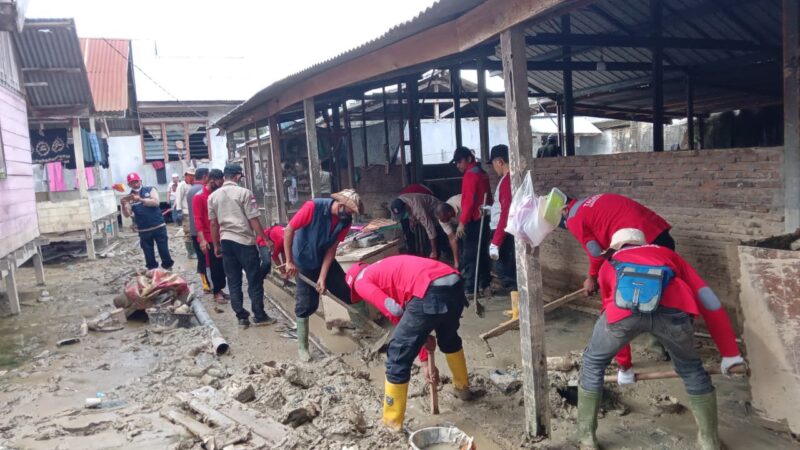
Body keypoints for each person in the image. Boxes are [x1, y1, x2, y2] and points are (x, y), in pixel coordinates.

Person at [576, 229, 745, 450]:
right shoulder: (670, 256)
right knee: (692, 369)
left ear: (616, 247)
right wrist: (730, 353)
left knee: (593, 363)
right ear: (643, 244)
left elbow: (611, 310)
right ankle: (709, 441)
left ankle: (587, 439)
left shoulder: (609, 265)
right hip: (673, 311)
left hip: (623, 317)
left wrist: (624, 367)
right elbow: (709, 300)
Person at [343, 255, 475, 432]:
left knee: (397, 354)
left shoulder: (360, 281)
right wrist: (421, 337)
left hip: (429, 290)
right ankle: (463, 389)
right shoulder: (383, 267)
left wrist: (422, 359)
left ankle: (391, 423)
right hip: (454, 284)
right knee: (449, 338)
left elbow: (395, 310)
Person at [283, 189, 365, 362]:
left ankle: (365, 330)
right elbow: (289, 229)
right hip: (303, 260)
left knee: (347, 290)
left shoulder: (345, 221)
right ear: (341, 205)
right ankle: (303, 348)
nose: (350, 216)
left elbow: (332, 249)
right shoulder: (313, 207)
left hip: (323, 258)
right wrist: (289, 261)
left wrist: (322, 277)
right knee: (306, 305)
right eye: (349, 211)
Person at [208, 164, 276, 328]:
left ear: (225, 176)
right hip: (244, 242)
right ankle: (259, 316)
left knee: (233, 280)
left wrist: (216, 245)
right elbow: (253, 219)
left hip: (226, 242)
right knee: (254, 279)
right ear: (238, 177)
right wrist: (265, 239)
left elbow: (213, 224)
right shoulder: (244, 193)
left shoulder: (213, 197)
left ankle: (241, 316)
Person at [451, 146, 492, 295]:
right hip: (485, 217)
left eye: (459, 162)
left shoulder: (470, 175)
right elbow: (489, 198)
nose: (457, 165)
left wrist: (462, 222)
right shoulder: (482, 173)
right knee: (482, 253)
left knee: (469, 255)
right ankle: (485, 284)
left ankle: (469, 288)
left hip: (474, 220)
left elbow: (468, 201)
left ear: (468, 159)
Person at [120, 172, 174, 270]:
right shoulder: (129, 197)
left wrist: (140, 199)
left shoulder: (150, 190)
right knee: (148, 252)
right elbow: (127, 214)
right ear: (129, 185)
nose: (135, 184)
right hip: (144, 230)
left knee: (163, 249)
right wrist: (123, 205)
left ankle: (168, 268)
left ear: (140, 181)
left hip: (158, 226)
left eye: (136, 181)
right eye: (132, 183)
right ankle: (153, 271)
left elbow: (156, 202)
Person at [192, 169, 228, 304]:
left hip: (221, 234)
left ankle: (220, 289)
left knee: (222, 265)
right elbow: (198, 219)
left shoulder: (217, 194)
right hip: (208, 237)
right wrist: (202, 240)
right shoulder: (199, 196)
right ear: (212, 180)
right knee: (212, 265)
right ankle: (216, 291)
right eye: (220, 181)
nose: (221, 184)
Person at [487, 145, 517, 293]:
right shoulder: (511, 179)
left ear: (499, 162)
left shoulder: (507, 181)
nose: (494, 168)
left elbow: (506, 212)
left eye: (493, 164)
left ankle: (517, 306)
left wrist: (496, 241)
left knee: (507, 272)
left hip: (503, 231)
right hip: (506, 229)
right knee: (507, 269)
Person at [389, 193, 444, 259]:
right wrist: (412, 220)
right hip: (424, 210)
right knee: (429, 241)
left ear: (406, 206)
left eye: (403, 212)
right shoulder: (400, 201)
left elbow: (430, 228)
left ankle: (441, 253)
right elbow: (409, 212)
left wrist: (434, 251)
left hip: (437, 210)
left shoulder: (418, 209)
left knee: (436, 236)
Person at [186, 168, 210, 290]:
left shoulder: (190, 191)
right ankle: (207, 283)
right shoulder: (201, 191)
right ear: (205, 177)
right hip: (204, 231)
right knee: (206, 258)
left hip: (194, 231)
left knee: (201, 257)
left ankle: (205, 283)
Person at [434, 194, 462, 269]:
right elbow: (452, 239)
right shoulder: (442, 219)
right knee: (460, 241)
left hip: (476, 213)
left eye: (443, 219)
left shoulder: (460, 202)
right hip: (459, 220)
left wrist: (463, 223)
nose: (442, 221)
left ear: (449, 213)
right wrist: (456, 262)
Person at [175, 167, 196, 259]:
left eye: (193, 176)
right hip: (186, 212)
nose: (192, 177)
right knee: (188, 232)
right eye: (190, 175)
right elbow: (178, 198)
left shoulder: (194, 185)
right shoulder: (182, 185)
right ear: (186, 176)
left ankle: (196, 250)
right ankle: (190, 252)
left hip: (194, 212)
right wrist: (179, 211)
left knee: (196, 232)